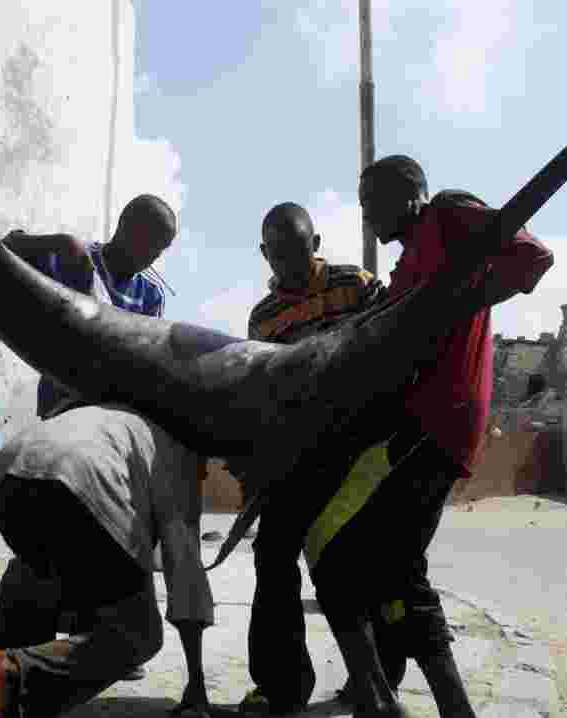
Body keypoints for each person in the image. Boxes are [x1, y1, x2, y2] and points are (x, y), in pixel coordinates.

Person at [305, 156, 553, 718]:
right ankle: (378, 695)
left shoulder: (449, 214)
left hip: (441, 419)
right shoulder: (406, 267)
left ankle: (436, 706)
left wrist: (464, 296)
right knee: (348, 556)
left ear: (412, 194)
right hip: (407, 425)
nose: (366, 215)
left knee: (387, 566)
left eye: (373, 201)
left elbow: (532, 258)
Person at [0, 196, 216, 718]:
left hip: (16, 466)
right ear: (127, 228)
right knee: (139, 635)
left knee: (40, 566)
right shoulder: (178, 443)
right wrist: (196, 687)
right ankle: (6, 674)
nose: (154, 256)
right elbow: (184, 572)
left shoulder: (147, 298)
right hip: (76, 450)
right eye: (152, 242)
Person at [239, 202, 385, 717]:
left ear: (316, 243)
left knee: (367, 563)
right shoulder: (263, 318)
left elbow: (393, 350)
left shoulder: (359, 284)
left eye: (297, 253)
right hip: (295, 455)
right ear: (264, 254)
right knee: (273, 557)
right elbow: (260, 390)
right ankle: (283, 685)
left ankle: (373, 681)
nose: (288, 265)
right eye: (277, 256)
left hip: (361, 446)